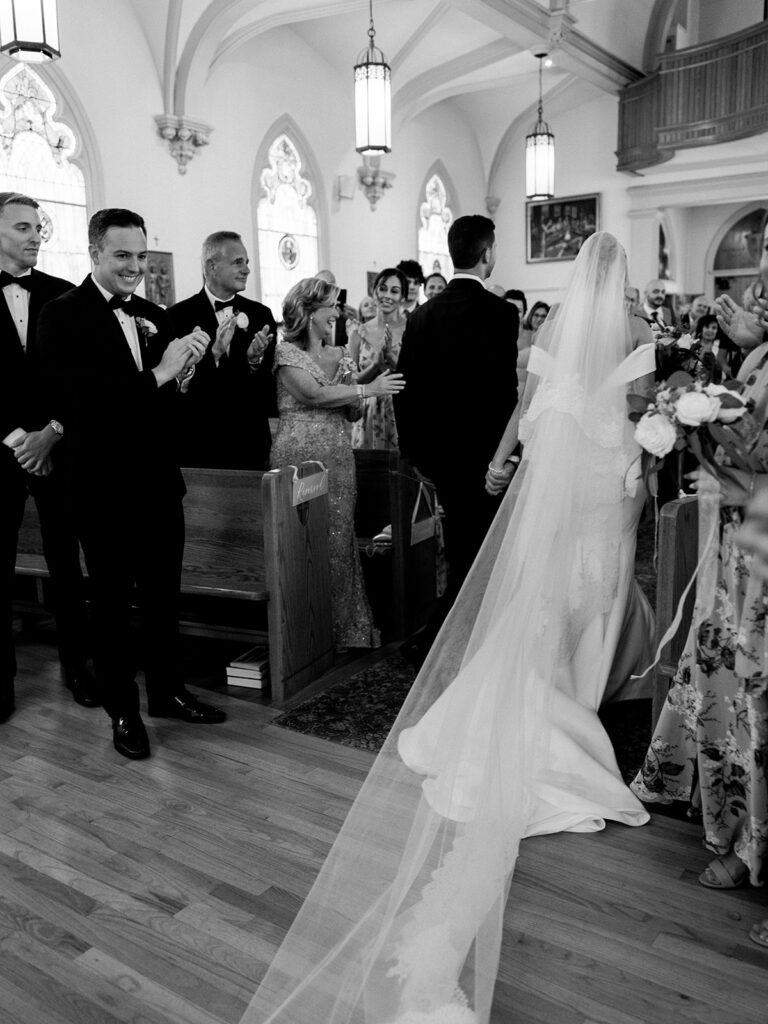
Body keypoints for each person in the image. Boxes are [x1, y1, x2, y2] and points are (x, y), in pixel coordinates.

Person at [242, 231, 655, 1024]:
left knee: (542, 594)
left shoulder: (534, 334)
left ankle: (545, 680)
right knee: (590, 592)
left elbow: (526, 410)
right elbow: (635, 413)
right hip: (608, 482)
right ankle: (582, 687)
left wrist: (498, 464)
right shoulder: (616, 337)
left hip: (539, 478)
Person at [36, 208, 225, 760]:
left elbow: (170, 406)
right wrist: (162, 373)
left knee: (165, 597)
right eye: (122, 256)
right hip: (100, 487)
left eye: (141, 256)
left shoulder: (153, 314)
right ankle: (124, 711)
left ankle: (167, 692)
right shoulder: (60, 316)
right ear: (94, 253)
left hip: (158, 482)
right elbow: (79, 406)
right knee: (113, 604)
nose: (134, 268)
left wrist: (189, 370)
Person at [631, 323, 768, 900]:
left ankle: (751, 843)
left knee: (755, 684)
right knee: (728, 670)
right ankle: (717, 803)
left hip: (759, 536)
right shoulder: (759, 351)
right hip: (746, 538)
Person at [394, 215, 519, 665]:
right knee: (479, 550)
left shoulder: (423, 315)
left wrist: (416, 454)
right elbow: (506, 393)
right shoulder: (502, 313)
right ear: (487, 254)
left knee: (466, 545)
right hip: (487, 457)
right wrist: (509, 456)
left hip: (440, 456)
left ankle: (454, 639)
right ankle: (438, 643)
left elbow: (404, 389)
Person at [0, 191, 97, 722]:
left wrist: (51, 433)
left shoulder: (63, 296)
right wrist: (19, 439)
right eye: (22, 227)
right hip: (0, 453)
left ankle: (79, 668)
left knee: (67, 564)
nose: (34, 235)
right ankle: (1, 684)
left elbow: (77, 379)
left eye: (38, 227)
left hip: (58, 449)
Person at [270, 276, 405, 651]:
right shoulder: (285, 354)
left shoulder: (341, 353)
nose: (337, 311)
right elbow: (312, 394)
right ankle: (304, 632)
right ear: (310, 311)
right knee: (300, 543)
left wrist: (372, 372)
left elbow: (352, 412)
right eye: (331, 304)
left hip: (338, 458)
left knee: (338, 541)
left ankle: (345, 631)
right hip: (296, 457)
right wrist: (365, 388)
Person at [167, 231, 276, 469]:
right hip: (199, 443)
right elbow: (174, 391)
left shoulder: (261, 315)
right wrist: (213, 354)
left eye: (247, 262)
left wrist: (254, 361)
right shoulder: (177, 318)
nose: (247, 269)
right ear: (212, 266)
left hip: (249, 442)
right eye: (238, 262)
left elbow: (268, 390)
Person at [348, 268, 408, 450]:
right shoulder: (357, 332)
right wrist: (376, 365)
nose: (387, 295)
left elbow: (417, 380)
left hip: (400, 412)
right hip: (367, 412)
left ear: (403, 297)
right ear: (374, 292)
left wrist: (390, 357)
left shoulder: (412, 329)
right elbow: (351, 382)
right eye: (382, 289)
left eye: (395, 291)